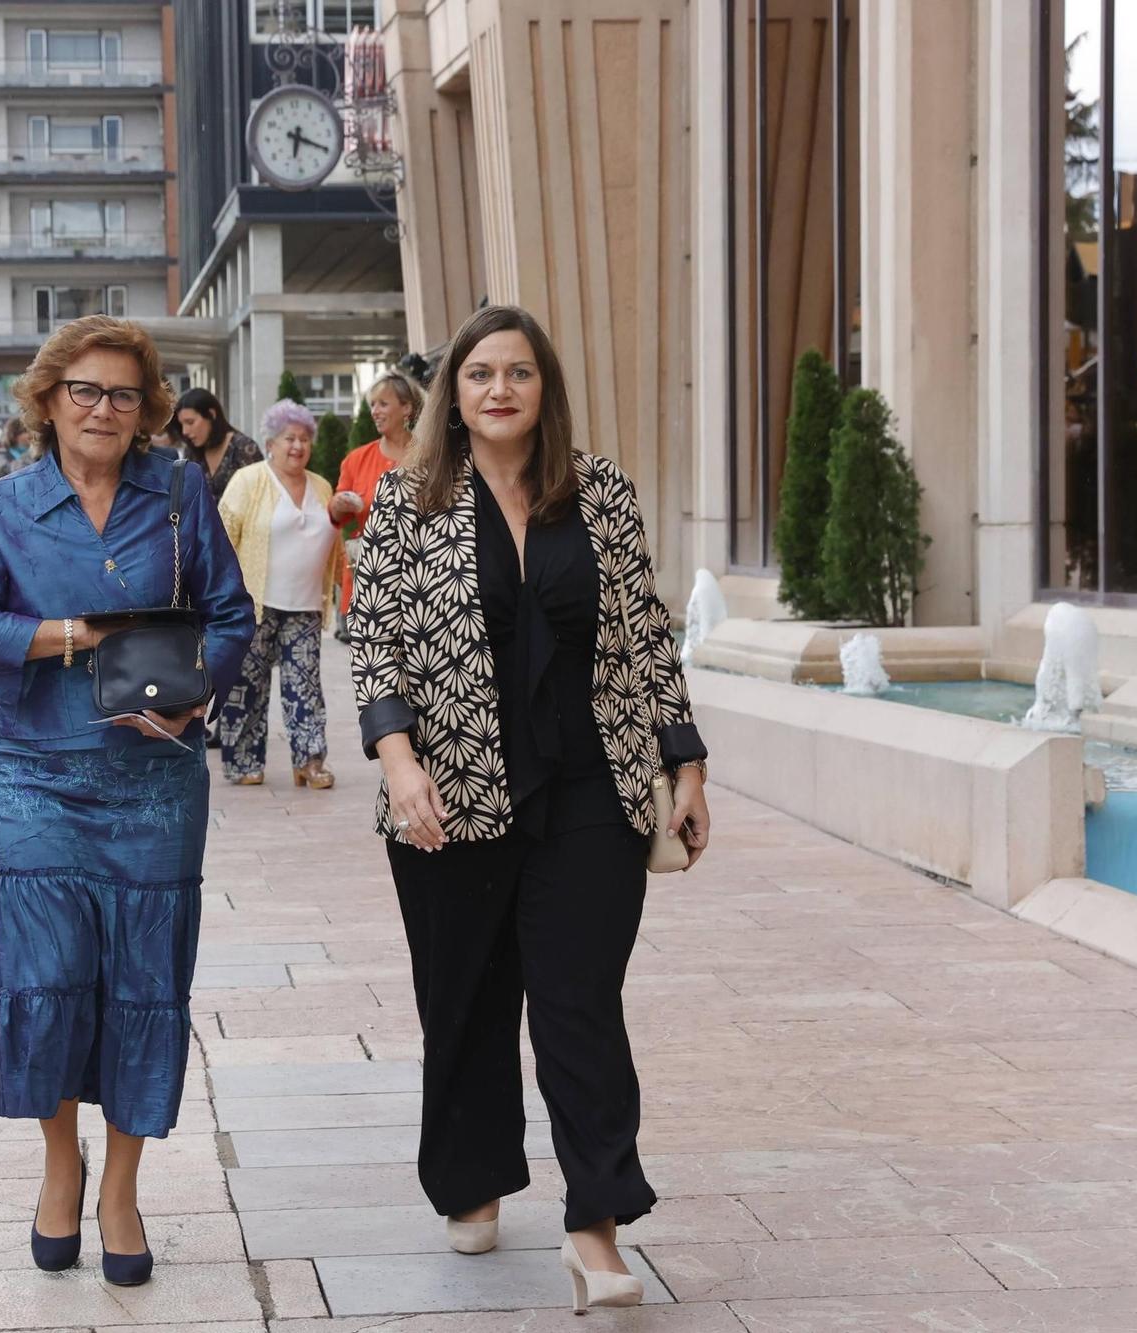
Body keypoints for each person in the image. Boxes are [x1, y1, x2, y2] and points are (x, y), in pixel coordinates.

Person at [347, 305, 712, 1311]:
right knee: (462, 1001)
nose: (498, 389)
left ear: (542, 388)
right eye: (479, 374)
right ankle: (471, 1178)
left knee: (578, 1003)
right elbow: (371, 641)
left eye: (517, 372)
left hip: (588, 784)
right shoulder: (407, 499)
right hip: (447, 791)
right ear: (451, 396)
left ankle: (593, 1226)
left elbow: (644, 632)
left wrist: (684, 762)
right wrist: (397, 762)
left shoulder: (599, 492)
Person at [0, 315, 255, 1285]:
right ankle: (57, 1164)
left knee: (142, 982)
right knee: (49, 973)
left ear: (146, 408)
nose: (103, 409)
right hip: (36, 766)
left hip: (155, 779)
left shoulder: (178, 497)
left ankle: (120, 1186)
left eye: (123, 394)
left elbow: (231, 615)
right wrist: (67, 634)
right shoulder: (2, 507)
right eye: (84, 390)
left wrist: (197, 693)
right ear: (47, 399)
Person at [216, 400, 342, 789]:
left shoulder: (321, 485)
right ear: (271, 442)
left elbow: (330, 539)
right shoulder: (250, 481)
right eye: (290, 438)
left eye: (305, 439)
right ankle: (242, 762)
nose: (298, 446)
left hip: (304, 604)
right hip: (255, 603)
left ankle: (310, 760)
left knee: (304, 685)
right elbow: (221, 536)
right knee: (247, 686)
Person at [332, 369, 425, 619]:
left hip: (421, 580)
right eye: (372, 405)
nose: (374, 411)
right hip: (369, 585)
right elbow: (336, 516)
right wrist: (339, 504)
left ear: (406, 408)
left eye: (383, 404)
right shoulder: (356, 459)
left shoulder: (430, 456)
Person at [168, 387, 262, 500]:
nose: (185, 431)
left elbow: (260, 497)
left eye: (190, 422)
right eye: (182, 425)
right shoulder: (191, 453)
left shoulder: (244, 448)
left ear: (211, 414)